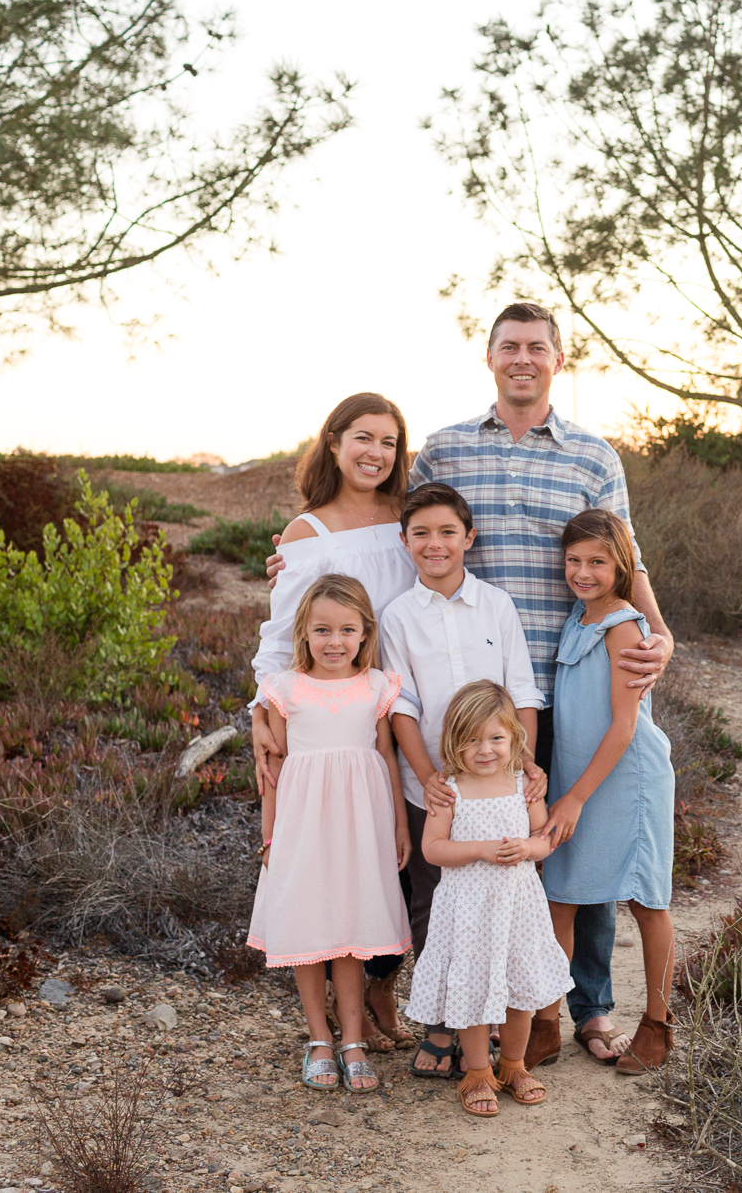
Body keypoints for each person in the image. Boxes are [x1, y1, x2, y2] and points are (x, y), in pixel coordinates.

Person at [263, 302, 678, 1069]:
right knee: (451, 864)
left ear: (558, 357)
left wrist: (659, 630)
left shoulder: (594, 454)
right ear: (489, 357)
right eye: (509, 347)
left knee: (560, 849)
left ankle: (573, 1005)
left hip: (556, 676)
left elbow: (630, 555)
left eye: (537, 347)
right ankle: (456, 1011)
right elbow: (401, 520)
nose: (523, 358)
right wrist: (304, 551)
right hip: (456, 719)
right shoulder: (448, 449)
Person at [249, 391, 422, 1050]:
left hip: (408, 700)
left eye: (388, 441)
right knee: (345, 856)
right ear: (333, 442)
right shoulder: (307, 532)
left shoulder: (409, 517)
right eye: (363, 438)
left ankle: (386, 984)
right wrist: (264, 712)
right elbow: (278, 636)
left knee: (401, 855)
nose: (376, 452)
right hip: (338, 712)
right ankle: (349, 1011)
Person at [378, 481, 547, 1078]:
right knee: (436, 903)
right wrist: (427, 778)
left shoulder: (496, 605)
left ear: (469, 538)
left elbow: (521, 687)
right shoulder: (396, 616)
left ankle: (499, 1022)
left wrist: (526, 764)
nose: (435, 543)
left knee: (503, 899)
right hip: (436, 784)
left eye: (447, 531)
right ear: (404, 542)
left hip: (499, 781)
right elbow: (402, 703)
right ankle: (442, 1025)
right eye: (420, 533)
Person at [246, 575, 411, 1094]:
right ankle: (319, 1037)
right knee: (310, 931)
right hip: (302, 828)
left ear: (365, 633)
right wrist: (269, 838)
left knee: (349, 934)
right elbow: (273, 769)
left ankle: (354, 1040)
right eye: (322, 630)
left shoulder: (377, 687)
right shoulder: (285, 689)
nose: (334, 641)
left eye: (346, 630)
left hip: (360, 830)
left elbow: (386, 757)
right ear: (305, 632)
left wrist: (399, 826)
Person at [536, 509, 676, 1075]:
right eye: (574, 561)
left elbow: (623, 727)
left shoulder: (623, 624)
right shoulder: (579, 617)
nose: (584, 572)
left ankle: (658, 1026)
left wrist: (572, 799)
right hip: (580, 776)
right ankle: (544, 1024)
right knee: (561, 896)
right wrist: (568, 790)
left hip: (628, 780)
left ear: (623, 565)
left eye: (598, 562)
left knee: (646, 900)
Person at [403, 681, 572, 1118]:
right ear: (452, 743)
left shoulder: (523, 785)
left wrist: (527, 848)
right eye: (471, 740)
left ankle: (513, 1065)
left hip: (517, 906)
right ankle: (477, 1070)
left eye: (496, 738)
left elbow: (544, 838)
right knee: (472, 987)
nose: (485, 749)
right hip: (467, 910)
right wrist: (478, 849)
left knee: (521, 990)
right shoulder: (448, 789)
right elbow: (433, 849)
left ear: (515, 738)